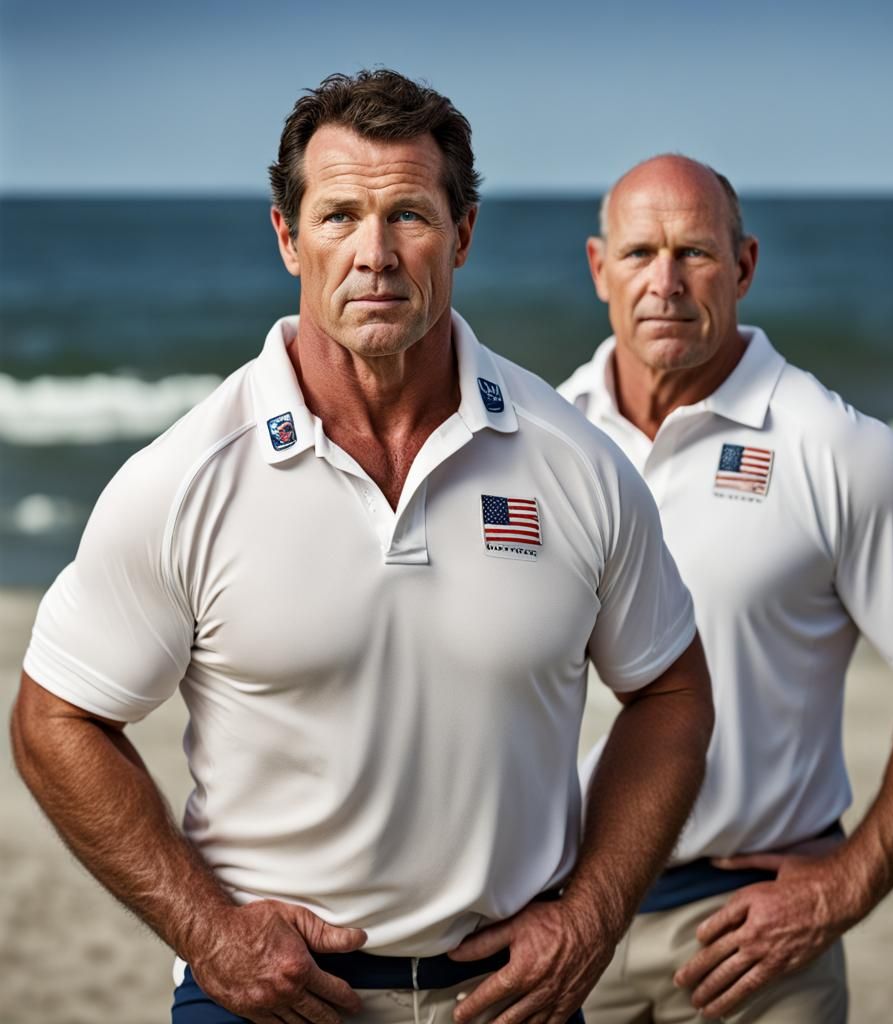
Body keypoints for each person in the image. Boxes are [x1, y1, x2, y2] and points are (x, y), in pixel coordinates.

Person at [9, 77, 716, 1024]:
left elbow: (672, 695)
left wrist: (593, 914)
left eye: (409, 217)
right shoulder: (183, 477)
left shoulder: (576, 463)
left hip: (511, 1000)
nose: (374, 255)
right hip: (266, 1001)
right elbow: (55, 719)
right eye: (339, 215)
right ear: (287, 237)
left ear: (463, 235)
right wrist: (208, 933)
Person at [559, 154, 893, 1023]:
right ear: (597, 268)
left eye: (694, 253)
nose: (665, 282)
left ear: (745, 266)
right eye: (638, 254)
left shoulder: (834, 448)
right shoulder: (546, 442)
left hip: (748, 940)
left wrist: (849, 884)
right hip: (567, 926)